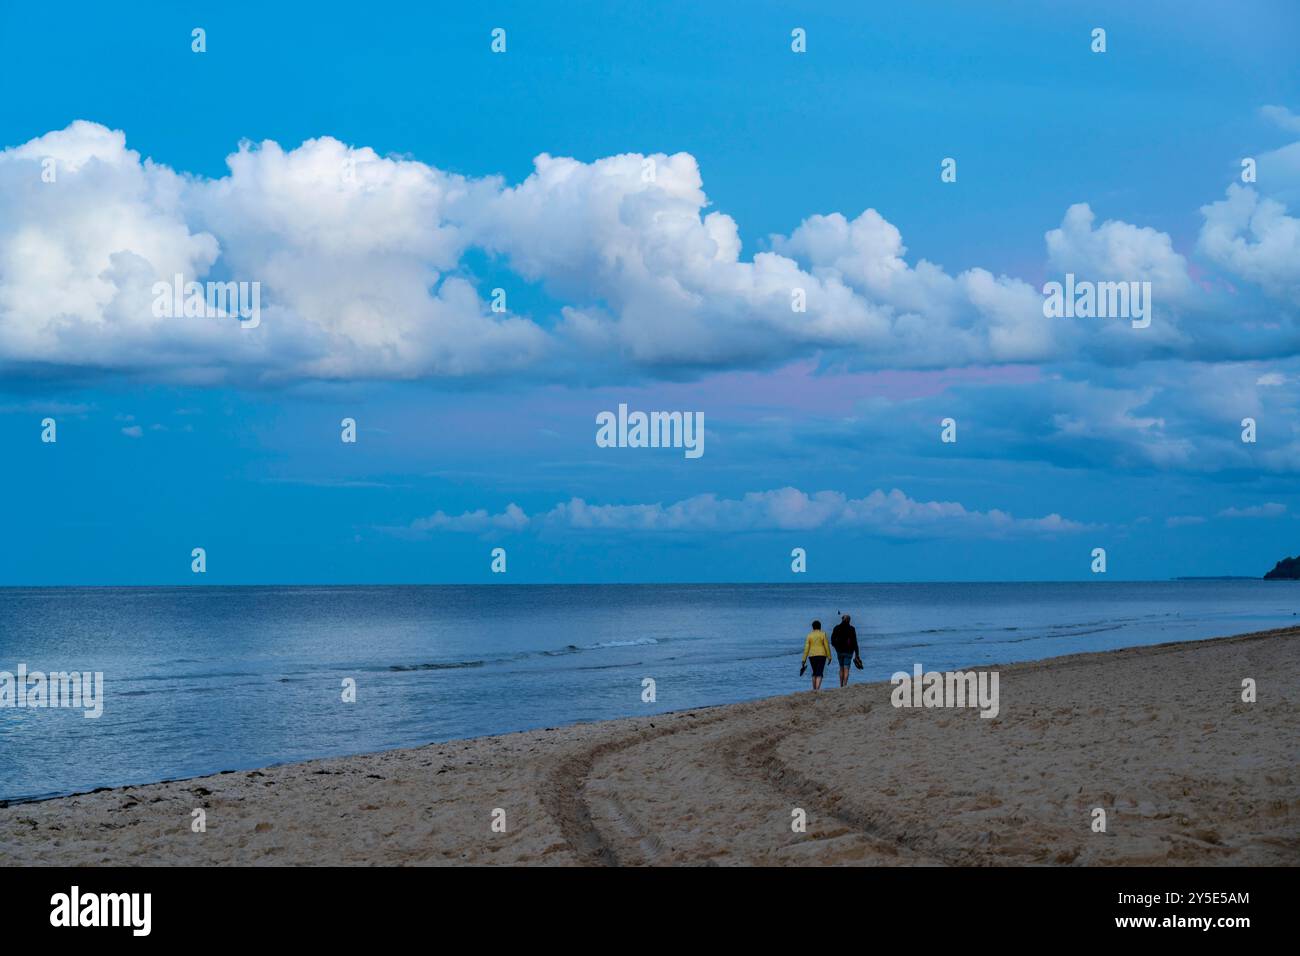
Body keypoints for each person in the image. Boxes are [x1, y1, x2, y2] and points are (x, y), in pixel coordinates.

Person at [801, 620, 832, 691]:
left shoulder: (809, 635)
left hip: (812, 655)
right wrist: (829, 657)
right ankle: (817, 689)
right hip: (822, 655)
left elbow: (806, 648)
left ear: (812, 627)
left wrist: (803, 659)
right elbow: (826, 646)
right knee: (820, 672)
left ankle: (814, 689)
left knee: (814, 672)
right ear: (820, 627)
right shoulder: (823, 634)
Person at [830, 613, 860, 688]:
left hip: (839, 651)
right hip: (849, 651)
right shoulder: (852, 629)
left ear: (842, 619)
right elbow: (855, 642)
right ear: (849, 621)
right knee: (846, 669)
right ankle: (845, 685)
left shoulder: (836, 628)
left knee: (841, 668)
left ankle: (841, 685)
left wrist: (836, 647)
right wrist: (857, 654)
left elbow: (832, 640)